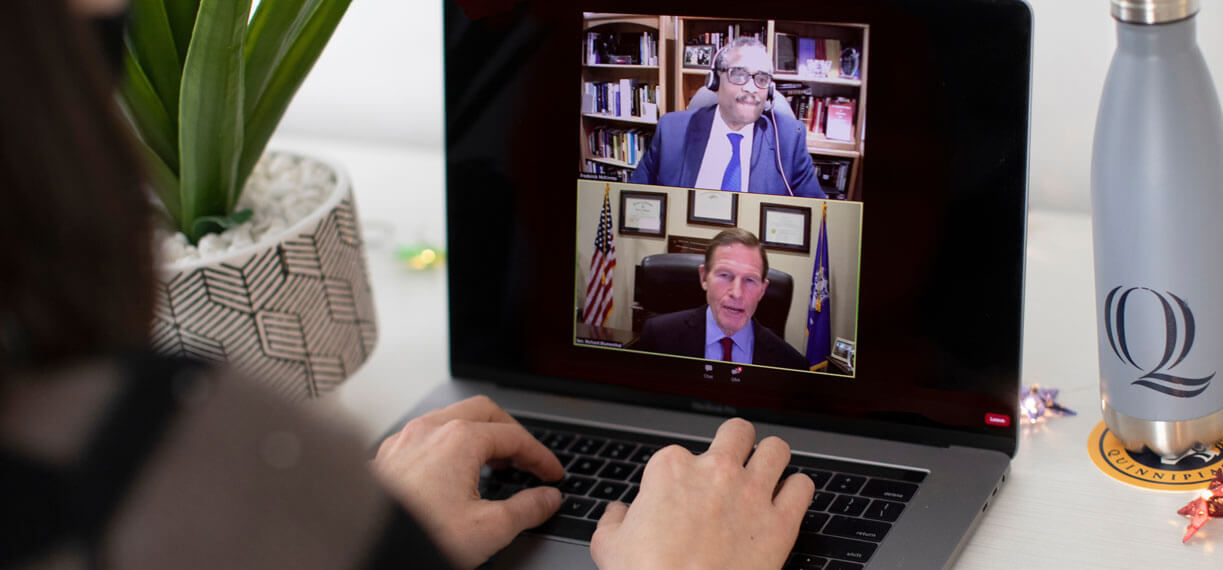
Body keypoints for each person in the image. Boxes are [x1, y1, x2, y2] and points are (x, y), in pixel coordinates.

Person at [0, 1, 815, 568]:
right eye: (739, 79)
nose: (753, 93)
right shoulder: (156, 463)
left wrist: (383, 535)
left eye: (764, 84)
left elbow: (808, 197)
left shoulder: (788, 140)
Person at [630, 37, 825, 199]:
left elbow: (815, 215)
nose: (751, 88)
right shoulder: (672, 130)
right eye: (738, 74)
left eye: (762, 79)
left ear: (770, 90)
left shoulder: (789, 139)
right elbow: (635, 198)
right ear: (714, 81)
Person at [631, 229, 808, 370]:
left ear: (763, 290)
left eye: (749, 280)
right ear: (704, 277)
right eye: (724, 275)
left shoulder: (790, 364)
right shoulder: (658, 338)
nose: (737, 293)